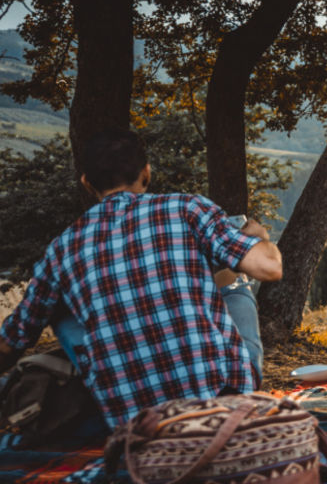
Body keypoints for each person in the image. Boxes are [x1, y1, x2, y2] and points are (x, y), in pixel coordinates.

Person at [0, 128, 282, 433]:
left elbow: (13, 340)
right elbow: (268, 267)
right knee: (233, 285)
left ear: (86, 182)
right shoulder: (187, 209)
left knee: (61, 309)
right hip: (222, 402)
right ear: (146, 174)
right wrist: (261, 237)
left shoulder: (62, 250)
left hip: (137, 426)